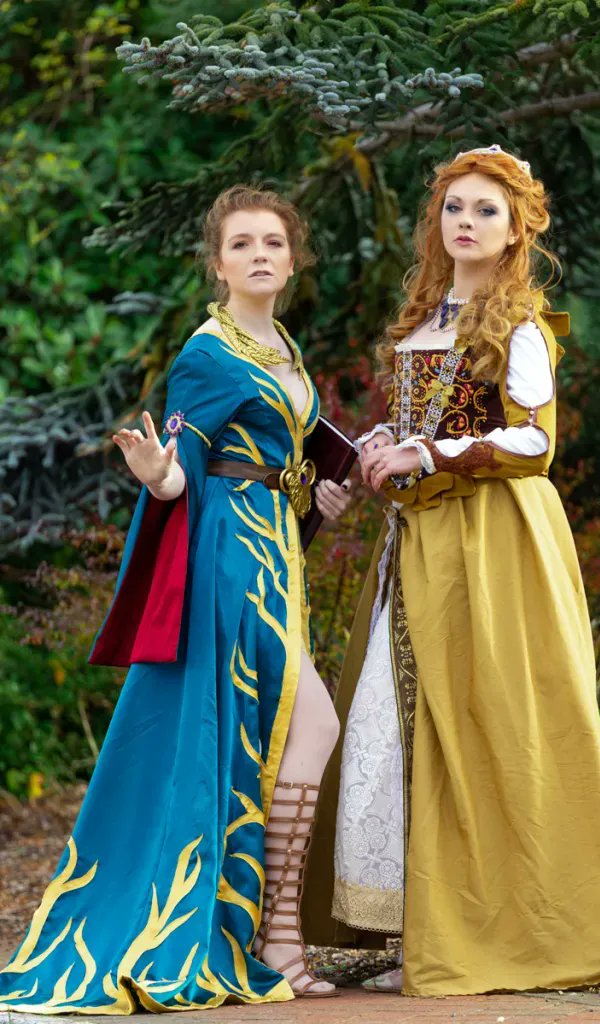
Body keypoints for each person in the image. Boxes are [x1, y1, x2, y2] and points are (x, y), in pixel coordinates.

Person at [301, 145, 600, 996]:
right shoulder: (423, 319)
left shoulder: (521, 323)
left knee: (482, 721)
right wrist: (388, 441)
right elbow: (422, 423)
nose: (464, 222)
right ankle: (424, 924)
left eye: (485, 211)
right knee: (393, 721)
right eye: (453, 208)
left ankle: (488, 931)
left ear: (514, 232)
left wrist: (430, 453)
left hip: (490, 542)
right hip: (419, 543)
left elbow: (533, 441)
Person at [0, 185, 352, 1013]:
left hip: (272, 549)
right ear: (217, 263)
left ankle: (272, 934)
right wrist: (159, 476)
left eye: (272, 242)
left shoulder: (281, 346)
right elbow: (184, 462)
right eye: (242, 244)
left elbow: (270, 454)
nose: (259, 254)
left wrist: (314, 497)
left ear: (293, 260)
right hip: (230, 560)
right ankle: (276, 938)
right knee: (311, 723)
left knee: (287, 729)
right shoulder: (207, 352)